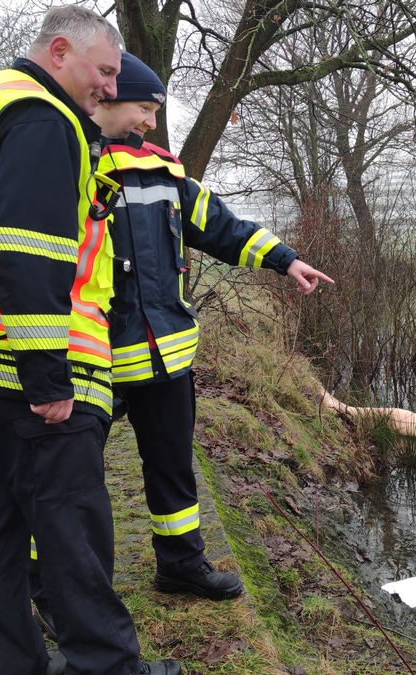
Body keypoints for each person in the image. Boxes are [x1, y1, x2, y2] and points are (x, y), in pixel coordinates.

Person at [0, 7, 179, 675]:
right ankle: (109, 666)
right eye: (104, 71)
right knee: (72, 524)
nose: (110, 87)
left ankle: (12, 663)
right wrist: (49, 378)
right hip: (17, 364)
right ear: (59, 52)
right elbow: (27, 253)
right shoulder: (43, 119)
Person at [30, 52, 333, 633]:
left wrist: (285, 260)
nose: (150, 121)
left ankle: (181, 565)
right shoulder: (68, 159)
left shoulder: (167, 172)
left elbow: (220, 227)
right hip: (91, 355)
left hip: (165, 353)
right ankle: (44, 587)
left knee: (172, 467)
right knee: (68, 478)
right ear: (108, 98)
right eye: (144, 108)